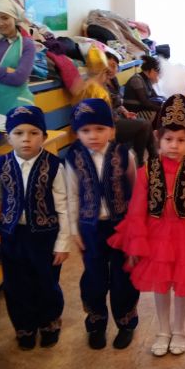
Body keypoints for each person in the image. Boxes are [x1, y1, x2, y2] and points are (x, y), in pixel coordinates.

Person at [108, 95, 185, 357]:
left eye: (181, 140)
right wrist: (136, 241)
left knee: (183, 284)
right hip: (156, 235)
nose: (174, 145)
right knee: (161, 285)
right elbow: (137, 208)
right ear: (157, 138)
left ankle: (179, 329)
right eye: (169, 139)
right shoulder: (147, 171)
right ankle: (163, 330)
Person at [0, 106, 68, 349]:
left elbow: (63, 206)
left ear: (44, 136)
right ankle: (24, 327)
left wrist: (63, 243)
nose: (26, 139)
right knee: (16, 285)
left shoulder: (54, 166)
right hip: (12, 236)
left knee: (46, 282)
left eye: (33, 133)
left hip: (45, 237)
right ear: (8, 137)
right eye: (18, 133)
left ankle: (49, 322)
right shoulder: (1, 165)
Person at [65, 99, 139, 350]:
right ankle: (96, 323)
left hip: (121, 227)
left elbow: (135, 192)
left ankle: (126, 322)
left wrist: (135, 229)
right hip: (90, 228)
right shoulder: (73, 157)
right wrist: (74, 230)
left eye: (100, 128)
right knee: (94, 277)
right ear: (77, 133)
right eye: (85, 130)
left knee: (123, 277)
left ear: (112, 130)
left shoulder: (124, 154)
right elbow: (72, 195)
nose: (93, 135)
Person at [105, 52, 154, 167]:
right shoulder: (100, 85)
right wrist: (119, 117)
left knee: (145, 125)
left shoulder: (113, 81)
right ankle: (142, 162)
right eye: (109, 65)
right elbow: (105, 110)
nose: (112, 69)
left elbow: (117, 103)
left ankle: (152, 158)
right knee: (144, 125)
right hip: (110, 124)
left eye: (114, 66)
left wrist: (126, 112)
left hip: (119, 117)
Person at [123, 55, 163, 122]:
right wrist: (162, 109)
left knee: (162, 110)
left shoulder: (147, 80)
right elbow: (145, 103)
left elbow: (155, 96)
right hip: (133, 112)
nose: (159, 76)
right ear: (152, 70)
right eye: (158, 73)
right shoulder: (137, 79)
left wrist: (164, 103)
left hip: (141, 108)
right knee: (161, 114)